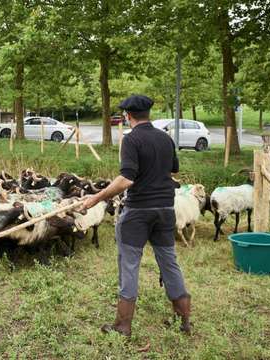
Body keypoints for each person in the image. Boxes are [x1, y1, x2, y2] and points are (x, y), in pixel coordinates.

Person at [82, 95, 191, 340]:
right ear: (148, 114)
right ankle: (183, 320)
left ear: (128, 116)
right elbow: (174, 168)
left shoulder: (131, 140)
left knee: (129, 265)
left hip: (138, 213)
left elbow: (127, 179)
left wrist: (96, 198)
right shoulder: (165, 138)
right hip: (165, 210)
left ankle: (123, 325)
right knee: (169, 262)